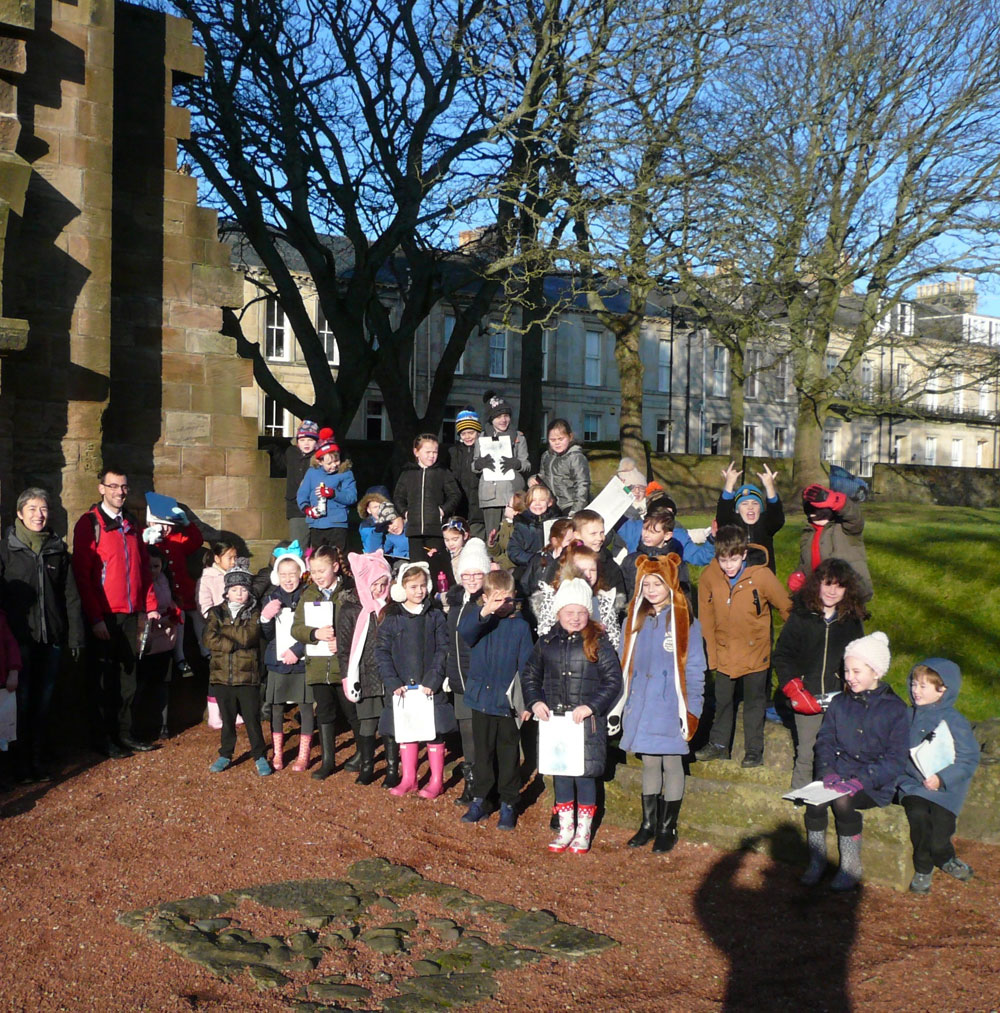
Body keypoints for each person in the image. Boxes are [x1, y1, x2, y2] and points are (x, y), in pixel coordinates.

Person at [521, 578, 623, 853]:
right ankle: (565, 828)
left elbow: (613, 680)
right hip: (556, 721)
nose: (575, 618)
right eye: (569, 612)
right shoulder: (546, 642)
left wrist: (592, 706)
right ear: (558, 613)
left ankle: (583, 830)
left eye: (581, 612)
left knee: (585, 775)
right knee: (562, 775)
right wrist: (535, 700)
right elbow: (530, 673)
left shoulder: (598, 641)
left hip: (586, 723)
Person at [801, 631, 908, 890]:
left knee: (842, 800)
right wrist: (827, 772)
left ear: (876, 672)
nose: (849, 677)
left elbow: (895, 759)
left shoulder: (895, 709)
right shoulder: (839, 704)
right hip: (838, 775)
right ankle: (816, 862)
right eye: (847, 670)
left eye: (857, 671)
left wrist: (861, 781)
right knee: (814, 802)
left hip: (873, 785)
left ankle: (850, 865)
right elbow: (826, 741)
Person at [616, 553, 706, 852]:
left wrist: (692, 708)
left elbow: (694, 668)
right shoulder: (633, 620)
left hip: (670, 705)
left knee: (672, 761)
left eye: (657, 583)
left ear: (670, 584)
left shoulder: (686, 623)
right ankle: (647, 824)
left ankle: (668, 826)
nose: (652, 589)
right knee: (650, 762)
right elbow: (623, 662)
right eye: (646, 584)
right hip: (642, 704)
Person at [72, 468, 159, 758]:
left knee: (127, 680)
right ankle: (103, 738)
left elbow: (142, 569)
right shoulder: (89, 524)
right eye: (113, 486)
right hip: (105, 614)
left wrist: (150, 606)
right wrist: (95, 618)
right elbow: (83, 577)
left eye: (123, 486)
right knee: (103, 681)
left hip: (131, 613)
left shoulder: (130, 523)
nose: (119, 492)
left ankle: (125, 734)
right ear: (101, 489)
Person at [0, 488, 84, 780]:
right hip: (19, 640)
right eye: (33, 508)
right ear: (20, 513)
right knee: (20, 705)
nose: (39, 514)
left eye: (44, 509)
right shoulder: (6, 550)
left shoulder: (57, 549)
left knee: (44, 703)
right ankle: (17, 766)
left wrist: (75, 637)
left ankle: (36, 761)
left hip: (52, 640)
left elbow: (70, 596)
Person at [695, 526, 792, 767]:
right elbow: (705, 618)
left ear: (744, 555)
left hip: (755, 651)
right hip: (724, 650)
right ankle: (719, 745)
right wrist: (711, 654)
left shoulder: (762, 576)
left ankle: (753, 750)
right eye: (723, 560)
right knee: (723, 700)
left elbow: (785, 606)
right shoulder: (709, 576)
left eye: (734, 559)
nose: (729, 565)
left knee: (754, 702)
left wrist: (797, 636)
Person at [773, 558, 868, 790]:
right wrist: (794, 687)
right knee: (806, 752)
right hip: (807, 695)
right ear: (817, 584)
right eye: (827, 584)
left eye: (839, 586)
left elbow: (860, 658)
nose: (832, 591)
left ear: (847, 589)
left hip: (839, 699)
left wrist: (853, 687)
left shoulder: (851, 621)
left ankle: (830, 800)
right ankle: (800, 799)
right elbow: (783, 655)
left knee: (836, 753)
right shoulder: (801, 616)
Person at [458, 568, 534, 829]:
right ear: (486, 597)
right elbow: (464, 632)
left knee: (508, 754)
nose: (502, 605)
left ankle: (509, 802)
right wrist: (484, 612)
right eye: (496, 599)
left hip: (507, 703)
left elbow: (526, 667)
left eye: (507, 599)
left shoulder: (521, 626)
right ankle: (481, 798)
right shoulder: (479, 620)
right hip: (480, 698)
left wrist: (526, 703)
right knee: (483, 754)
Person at [899, 658, 980, 894]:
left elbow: (968, 758)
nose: (915, 691)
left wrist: (942, 778)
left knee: (940, 832)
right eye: (914, 684)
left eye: (923, 686)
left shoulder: (955, 721)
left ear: (942, 690)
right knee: (918, 817)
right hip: (913, 785)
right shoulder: (906, 716)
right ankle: (923, 868)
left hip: (946, 790)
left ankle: (945, 857)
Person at [375, 562, 455, 799]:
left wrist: (433, 679)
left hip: (429, 686)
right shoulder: (392, 618)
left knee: (434, 731)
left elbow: (443, 648)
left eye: (422, 586)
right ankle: (409, 778)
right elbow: (382, 652)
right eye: (413, 587)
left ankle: (436, 780)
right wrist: (391, 682)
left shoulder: (435, 615)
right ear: (402, 588)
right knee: (406, 730)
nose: (419, 591)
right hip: (402, 688)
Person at [291, 545, 356, 781]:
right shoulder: (308, 594)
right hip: (318, 665)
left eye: (322, 570)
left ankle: (362, 754)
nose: (318, 576)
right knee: (325, 712)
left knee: (351, 710)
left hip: (343, 665)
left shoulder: (348, 592)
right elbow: (296, 628)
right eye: (314, 571)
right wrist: (315, 633)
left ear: (336, 567)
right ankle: (329, 759)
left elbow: (359, 625)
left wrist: (343, 641)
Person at [202, 562, 272, 776]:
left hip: (247, 677)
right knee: (227, 721)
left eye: (243, 589)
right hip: (221, 677)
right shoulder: (216, 612)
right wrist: (232, 643)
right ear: (227, 592)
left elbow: (248, 636)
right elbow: (208, 638)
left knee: (252, 721)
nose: (239, 593)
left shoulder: (253, 612)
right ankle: (225, 754)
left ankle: (259, 755)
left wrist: (226, 633)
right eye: (234, 589)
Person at [336, 550, 394, 786]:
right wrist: (346, 677)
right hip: (364, 674)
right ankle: (368, 764)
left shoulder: (392, 608)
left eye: (384, 584)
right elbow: (344, 648)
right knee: (367, 724)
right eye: (375, 584)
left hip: (388, 675)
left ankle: (392, 768)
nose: (380, 590)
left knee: (390, 724)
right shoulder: (351, 610)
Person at [443, 538, 490, 805]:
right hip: (459, 677)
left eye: (477, 574)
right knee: (466, 733)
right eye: (467, 574)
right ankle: (471, 782)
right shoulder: (456, 600)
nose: (471, 579)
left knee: (481, 735)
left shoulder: (486, 601)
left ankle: (482, 785)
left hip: (480, 679)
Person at [259, 544, 311, 772]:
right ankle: (278, 753)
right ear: (276, 575)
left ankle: (303, 754)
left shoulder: (309, 595)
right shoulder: (270, 596)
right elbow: (268, 635)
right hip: (278, 660)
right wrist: (265, 618)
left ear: (301, 573)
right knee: (277, 707)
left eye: (293, 574)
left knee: (306, 706)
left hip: (302, 660)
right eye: (283, 574)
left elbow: (314, 628)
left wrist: (298, 650)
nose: (288, 579)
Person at [142, 503, 203, 675]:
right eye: (160, 523)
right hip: (158, 596)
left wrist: (187, 524)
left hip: (181, 593)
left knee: (194, 616)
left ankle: (204, 651)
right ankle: (179, 657)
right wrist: (146, 540)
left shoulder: (177, 538)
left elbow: (196, 541)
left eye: (169, 524)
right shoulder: (148, 538)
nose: (165, 528)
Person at [393, 434, 462, 581]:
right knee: (417, 569)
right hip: (414, 531)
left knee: (437, 567)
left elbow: (455, 495)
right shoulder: (407, 473)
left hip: (436, 530)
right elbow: (398, 497)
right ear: (416, 452)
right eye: (428, 452)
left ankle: (439, 596)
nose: (432, 456)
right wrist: (405, 513)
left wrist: (442, 510)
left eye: (435, 452)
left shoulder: (442, 473)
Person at [792, 484, 873, 600]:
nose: (817, 514)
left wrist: (838, 501)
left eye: (822, 510)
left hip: (849, 593)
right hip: (820, 594)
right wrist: (799, 575)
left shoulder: (845, 528)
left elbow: (855, 517)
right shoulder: (808, 533)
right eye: (812, 510)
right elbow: (805, 562)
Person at [138, 547, 183, 740]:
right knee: (143, 684)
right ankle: (141, 725)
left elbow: (171, 602)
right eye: (149, 566)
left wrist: (174, 613)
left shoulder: (166, 581)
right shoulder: (141, 582)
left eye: (156, 566)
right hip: (147, 639)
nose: (153, 570)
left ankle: (162, 725)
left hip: (165, 639)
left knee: (163, 683)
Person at [473, 391, 532, 537]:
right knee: (492, 536)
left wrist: (517, 463)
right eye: (498, 417)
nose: (503, 420)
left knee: (512, 536)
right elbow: (473, 466)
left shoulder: (518, 437)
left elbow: (527, 464)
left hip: (512, 493)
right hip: (490, 495)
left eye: (506, 416)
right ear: (491, 419)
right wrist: (480, 464)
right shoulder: (482, 438)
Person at [196, 538, 239, 730]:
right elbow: (204, 606)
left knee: (233, 671)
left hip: (236, 631)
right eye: (230, 557)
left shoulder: (236, 576)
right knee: (217, 674)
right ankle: (214, 715)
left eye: (235, 557)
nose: (233, 561)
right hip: (217, 632)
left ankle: (230, 711)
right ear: (217, 558)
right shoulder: (207, 578)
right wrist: (219, 623)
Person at [715, 461, 784, 573]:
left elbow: (777, 518)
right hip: (737, 579)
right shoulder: (732, 525)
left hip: (763, 579)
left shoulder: (766, 525)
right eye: (745, 504)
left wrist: (770, 487)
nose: (750, 507)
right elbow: (723, 515)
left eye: (755, 503)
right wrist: (729, 484)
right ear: (737, 510)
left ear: (760, 509)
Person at [297, 428, 357, 550]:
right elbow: (302, 494)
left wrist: (333, 494)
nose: (334, 465)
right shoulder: (312, 473)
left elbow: (351, 497)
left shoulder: (345, 473)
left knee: (338, 558)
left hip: (337, 523)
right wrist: (307, 509)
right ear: (319, 462)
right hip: (316, 524)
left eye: (337, 461)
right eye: (329, 463)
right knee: (318, 557)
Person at [621, 506, 685, 601]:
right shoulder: (631, 560)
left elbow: (683, 596)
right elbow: (624, 591)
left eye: (653, 532)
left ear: (667, 535)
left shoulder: (674, 564)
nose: (646, 535)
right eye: (644, 529)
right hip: (636, 612)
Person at [507, 484, 562, 591]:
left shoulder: (557, 522)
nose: (537, 504)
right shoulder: (522, 524)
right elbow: (513, 551)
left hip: (554, 567)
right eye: (533, 500)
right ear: (527, 503)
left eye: (542, 500)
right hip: (529, 568)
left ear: (549, 502)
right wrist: (534, 559)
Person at [537, 418, 590, 515]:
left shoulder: (575, 457)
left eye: (561, 439)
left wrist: (576, 509)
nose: (557, 443)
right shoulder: (546, 456)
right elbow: (543, 478)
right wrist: (534, 479)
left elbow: (582, 484)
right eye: (552, 440)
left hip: (570, 504)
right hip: (552, 504)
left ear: (570, 437)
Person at [447, 407, 486, 537]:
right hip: (460, 507)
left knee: (477, 542)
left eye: (471, 432)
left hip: (479, 507)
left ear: (478, 432)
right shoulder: (453, 452)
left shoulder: (485, 449)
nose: (467, 436)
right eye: (463, 433)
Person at [522, 517, 575, 599]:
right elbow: (525, 583)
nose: (573, 544)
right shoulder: (539, 558)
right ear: (555, 541)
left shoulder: (575, 561)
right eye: (569, 541)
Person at [285, 420, 320, 545]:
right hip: (296, 508)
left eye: (310, 440)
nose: (306, 443)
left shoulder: (319, 458)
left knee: (317, 549)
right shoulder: (291, 453)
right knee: (298, 546)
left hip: (316, 506)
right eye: (303, 439)